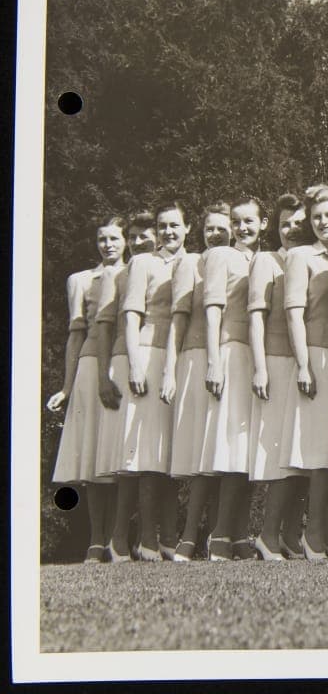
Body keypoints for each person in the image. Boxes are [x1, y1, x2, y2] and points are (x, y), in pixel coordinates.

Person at [47, 214, 128, 563]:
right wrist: (66, 388)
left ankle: (119, 538)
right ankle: (97, 540)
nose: (108, 245)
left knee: (121, 454)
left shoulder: (139, 271)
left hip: (127, 364)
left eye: (114, 238)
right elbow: (74, 336)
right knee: (96, 454)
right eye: (102, 239)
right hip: (91, 365)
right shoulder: (81, 280)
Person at [112, 201, 189, 561]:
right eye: (163, 226)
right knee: (143, 453)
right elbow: (130, 317)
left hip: (181, 359)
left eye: (175, 225)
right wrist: (136, 365)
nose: (169, 232)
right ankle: (144, 540)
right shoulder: (143, 262)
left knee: (171, 455)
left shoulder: (196, 263)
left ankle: (168, 538)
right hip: (148, 353)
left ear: (187, 228)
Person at [280, 184, 328, 560]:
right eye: (317, 217)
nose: (324, 222)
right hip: (318, 358)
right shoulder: (302, 257)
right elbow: (293, 313)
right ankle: (311, 535)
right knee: (320, 454)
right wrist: (305, 364)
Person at [164, 202, 232, 561]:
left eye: (223, 228)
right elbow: (179, 319)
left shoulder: (243, 260)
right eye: (211, 229)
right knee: (201, 453)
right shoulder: (190, 263)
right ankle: (187, 537)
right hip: (199, 360)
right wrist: (169, 369)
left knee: (226, 450)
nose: (217, 234)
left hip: (233, 360)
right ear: (200, 231)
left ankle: (225, 534)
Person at [201, 196, 267, 561]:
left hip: (256, 356)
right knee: (230, 447)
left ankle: (240, 533)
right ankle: (220, 535)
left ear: (263, 223)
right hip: (231, 353)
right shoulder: (221, 256)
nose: (243, 228)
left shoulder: (263, 258)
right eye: (237, 222)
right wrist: (214, 361)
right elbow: (213, 312)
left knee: (248, 449)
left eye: (249, 221)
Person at [93, 210, 158, 562]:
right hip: (131, 361)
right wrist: (106, 376)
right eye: (133, 236)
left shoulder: (164, 267)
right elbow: (104, 328)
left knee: (148, 454)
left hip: (155, 360)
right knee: (131, 455)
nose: (139, 241)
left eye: (145, 235)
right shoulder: (119, 273)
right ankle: (119, 539)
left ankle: (147, 538)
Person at [248, 194, 309, 561]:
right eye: (285, 224)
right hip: (277, 363)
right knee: (280, 457)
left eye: (298, 224)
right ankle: (267, 536)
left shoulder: (313, 258)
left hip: (307, 363)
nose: (291, 230)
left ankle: (289, 535)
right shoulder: (266, 261)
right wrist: (260, 367)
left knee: (300, 453)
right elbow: (256, 315)